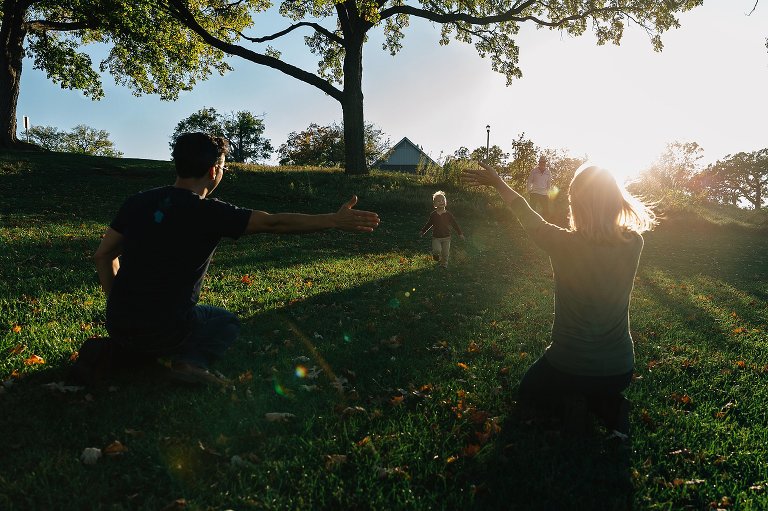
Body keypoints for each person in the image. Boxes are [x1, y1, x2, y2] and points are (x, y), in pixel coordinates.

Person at [89, 132, 380, 386]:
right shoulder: (209, 212)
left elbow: (103, 255)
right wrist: (333, 219)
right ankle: (188, 364)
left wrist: (123, 307)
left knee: (148, 333)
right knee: (224, 321)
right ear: (214, 170)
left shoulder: (137, 201)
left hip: (118, 324)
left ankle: (130, 354)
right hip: (167, 330)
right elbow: (273, 223)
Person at [463, 161, 656, 437]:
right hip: (619, 370)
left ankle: (574, 402)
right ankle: (607, 405)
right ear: (616, 200)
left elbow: (522, 209)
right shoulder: (634, 243)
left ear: (574, 204)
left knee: (529, 393)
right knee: (596, 389)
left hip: (567, 364)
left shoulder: (561, 243)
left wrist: (497, 182)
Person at [419, 190, 465, 269]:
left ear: (445, 202)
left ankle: (444, 264)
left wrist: (460, 233)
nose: (441, 202)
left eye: (443, 200)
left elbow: (454, 224)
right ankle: (436, 255)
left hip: (447, 237)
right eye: (439, 201)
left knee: (445, 253)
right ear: (435, 204)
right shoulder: (433, 215)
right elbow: (429, 224)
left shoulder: (448, 214)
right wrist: (423, 231)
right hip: (436, 237)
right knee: (437, 250)